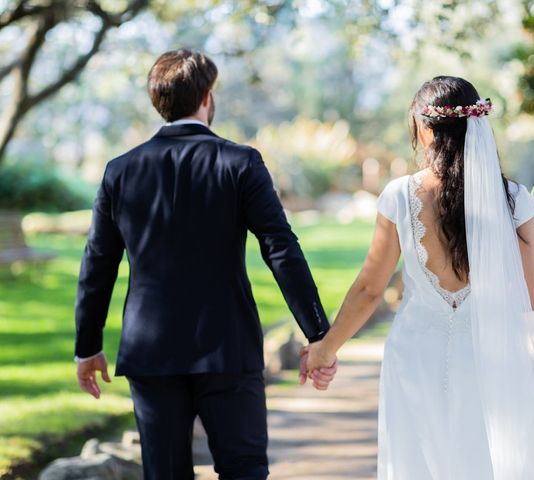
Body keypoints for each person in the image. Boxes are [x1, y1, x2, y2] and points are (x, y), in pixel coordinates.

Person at [74, 49, 337, 480]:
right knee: (244, 471)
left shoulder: (119, 171)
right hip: (228, 347)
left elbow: (97, 264)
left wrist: (88, 347)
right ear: (207, 97)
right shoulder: (240, 162)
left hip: (151, 353)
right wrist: (318, 335)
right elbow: (281, 248)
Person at [306, 76, 534, 479]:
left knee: (418, 460)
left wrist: (325, 349)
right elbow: (529, 297)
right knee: (483, 458)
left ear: (424, 129)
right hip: (486, 356)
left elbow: (370, 289)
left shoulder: (399, 195)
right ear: (475, 126)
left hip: (415, 356)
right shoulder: (514, 198)